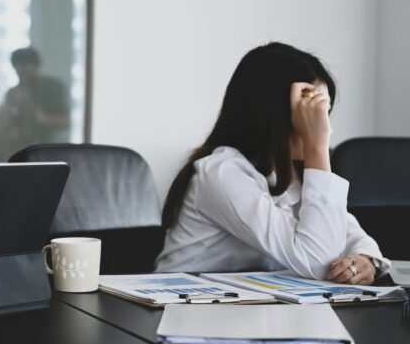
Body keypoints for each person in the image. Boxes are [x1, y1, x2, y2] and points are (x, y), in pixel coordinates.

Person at [155, 42, 389, 285]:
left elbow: (346, 231)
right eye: (312, 112)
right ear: (272, 113)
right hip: (182, 310)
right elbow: (319, 261)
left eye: (323, 113)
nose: (325, 127)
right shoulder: (220, 172)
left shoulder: (294, 173)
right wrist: (317, 145)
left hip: (255, 309)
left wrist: (365, 260)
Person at [0, 47, 70, 160]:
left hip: (48, 152)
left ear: (35, 65)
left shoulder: (52, 88)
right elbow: (5, 126)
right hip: (19, 153)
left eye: (24, 65)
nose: (20, 70)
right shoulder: (12, 93)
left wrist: (41, 118)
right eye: (17, 66)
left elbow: (66, 121)